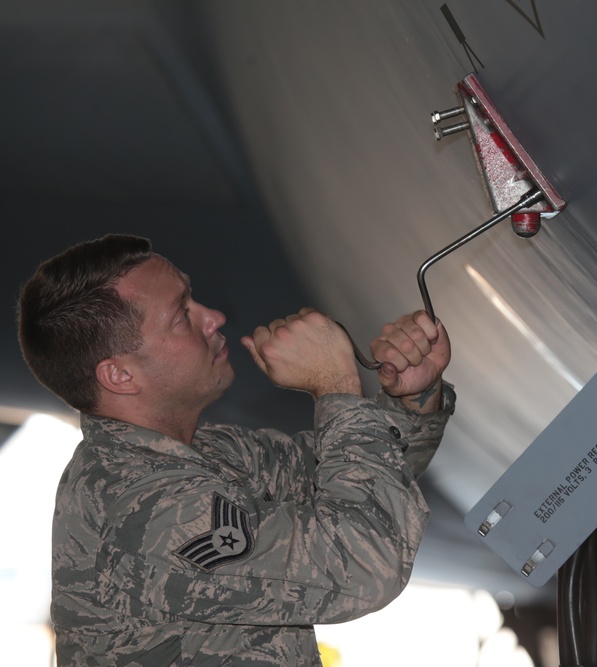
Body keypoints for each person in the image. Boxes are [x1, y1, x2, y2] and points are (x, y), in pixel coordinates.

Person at [17, 234, 455, 666]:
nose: (215, 317)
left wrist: (411, 396)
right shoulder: (145, 507)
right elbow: (366, 565)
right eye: (182, 316)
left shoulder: (204, 456)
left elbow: (367, 482)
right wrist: (335, 386)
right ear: (120, 376)